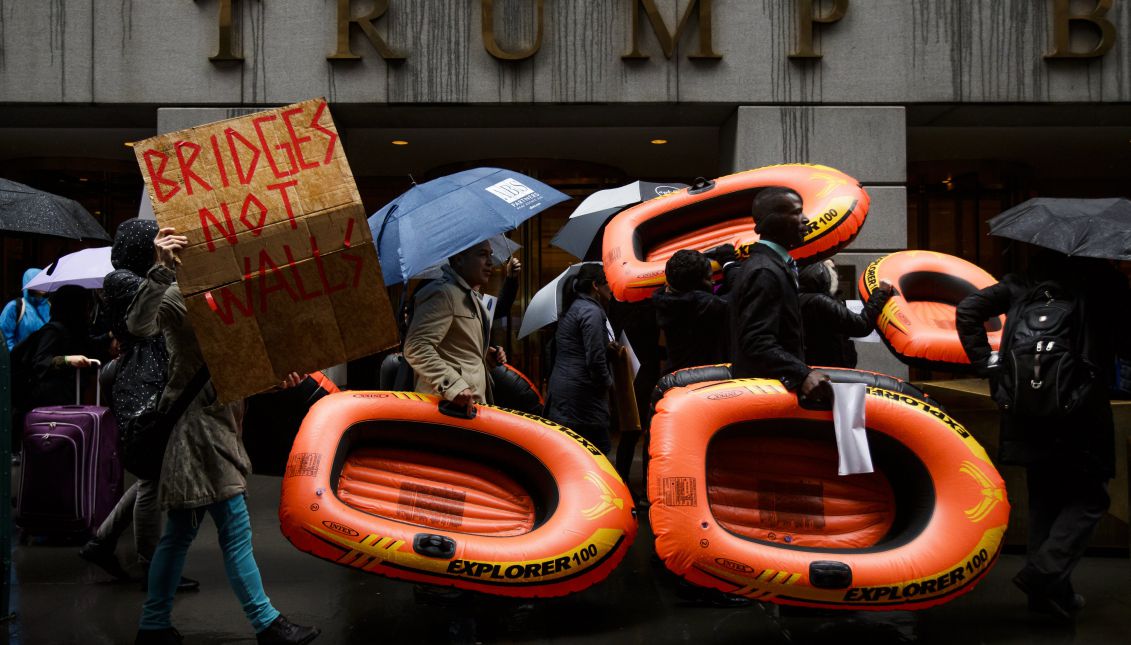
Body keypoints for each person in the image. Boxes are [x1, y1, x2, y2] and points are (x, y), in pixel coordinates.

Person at [128, 227, 318, 645]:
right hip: (198, 432)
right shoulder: (179, 297)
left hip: (217, 426)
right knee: (234, 528)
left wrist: (276, 381)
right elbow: (138, 326)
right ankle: (267, 623)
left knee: (178, 533)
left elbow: (234, 374)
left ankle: (154, 625)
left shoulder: (234, 300)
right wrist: (160, 270)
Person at [956, 248, 1129, 621]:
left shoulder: (1021, 283)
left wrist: (988, 363)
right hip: (1081, 408)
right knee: (1090, 497)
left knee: (1044, 500)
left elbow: (968, 310)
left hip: (1025, 408)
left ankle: (1051, 598)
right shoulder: (1103, 283)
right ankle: (1044, 574)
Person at [78, 218, 199, 593]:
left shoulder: (136, 276)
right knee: (152, 479)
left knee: (151, 472)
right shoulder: (120, 280)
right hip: (140, 384)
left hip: (153, 379)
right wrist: (165, 268)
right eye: (153, 245)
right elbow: (159, 302)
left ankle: (102, 541)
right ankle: (152, 566)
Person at [729, 187, 829, 400]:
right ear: (772, 220)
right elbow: (757, 341)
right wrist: (803, 374)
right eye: (796, 212)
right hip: (765, 397)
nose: (806, 219)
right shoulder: (764, 271)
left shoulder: (770, 265)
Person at [403, 240, 505, 411]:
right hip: (446, 409)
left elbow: (455, 349)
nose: (490, 262)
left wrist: (485, 355)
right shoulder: (442, 293)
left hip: (467, 408)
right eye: (482, 255)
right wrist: (452, 385)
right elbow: (416, 347)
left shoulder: (470, 296)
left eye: (490, 255)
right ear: (458, 259)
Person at [546, 264, 616, 454]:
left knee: (569, 454)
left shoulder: (573, 308)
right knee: (597, 453)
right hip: (584, 400)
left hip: (563, 396)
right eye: (607, 283)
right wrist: (607, 384)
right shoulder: (591, 311)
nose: (611, 287)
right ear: (595, 285)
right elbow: (594, 359)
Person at [798, 259, 894, 368]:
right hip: (832, 370)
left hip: (815, 366)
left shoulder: (799, 299)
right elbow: (861, 325)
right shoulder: (819, 301)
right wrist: (881, 292)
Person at [653, 249, 733, 375]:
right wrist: (729, 263)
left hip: (677, 374)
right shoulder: (705, 306)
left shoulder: (664, 300)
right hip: (707, 379)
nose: (713, 282)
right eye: (708, 278)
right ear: (694, 285)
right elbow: (741, 293)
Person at [1, 267, 50, 350]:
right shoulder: (15, 307)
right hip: (20, 360)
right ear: (29, 283)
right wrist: (14, 357)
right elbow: (5, 339)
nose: (42, 284)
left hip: (44, 360)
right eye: (37, 281)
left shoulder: (49, 306)